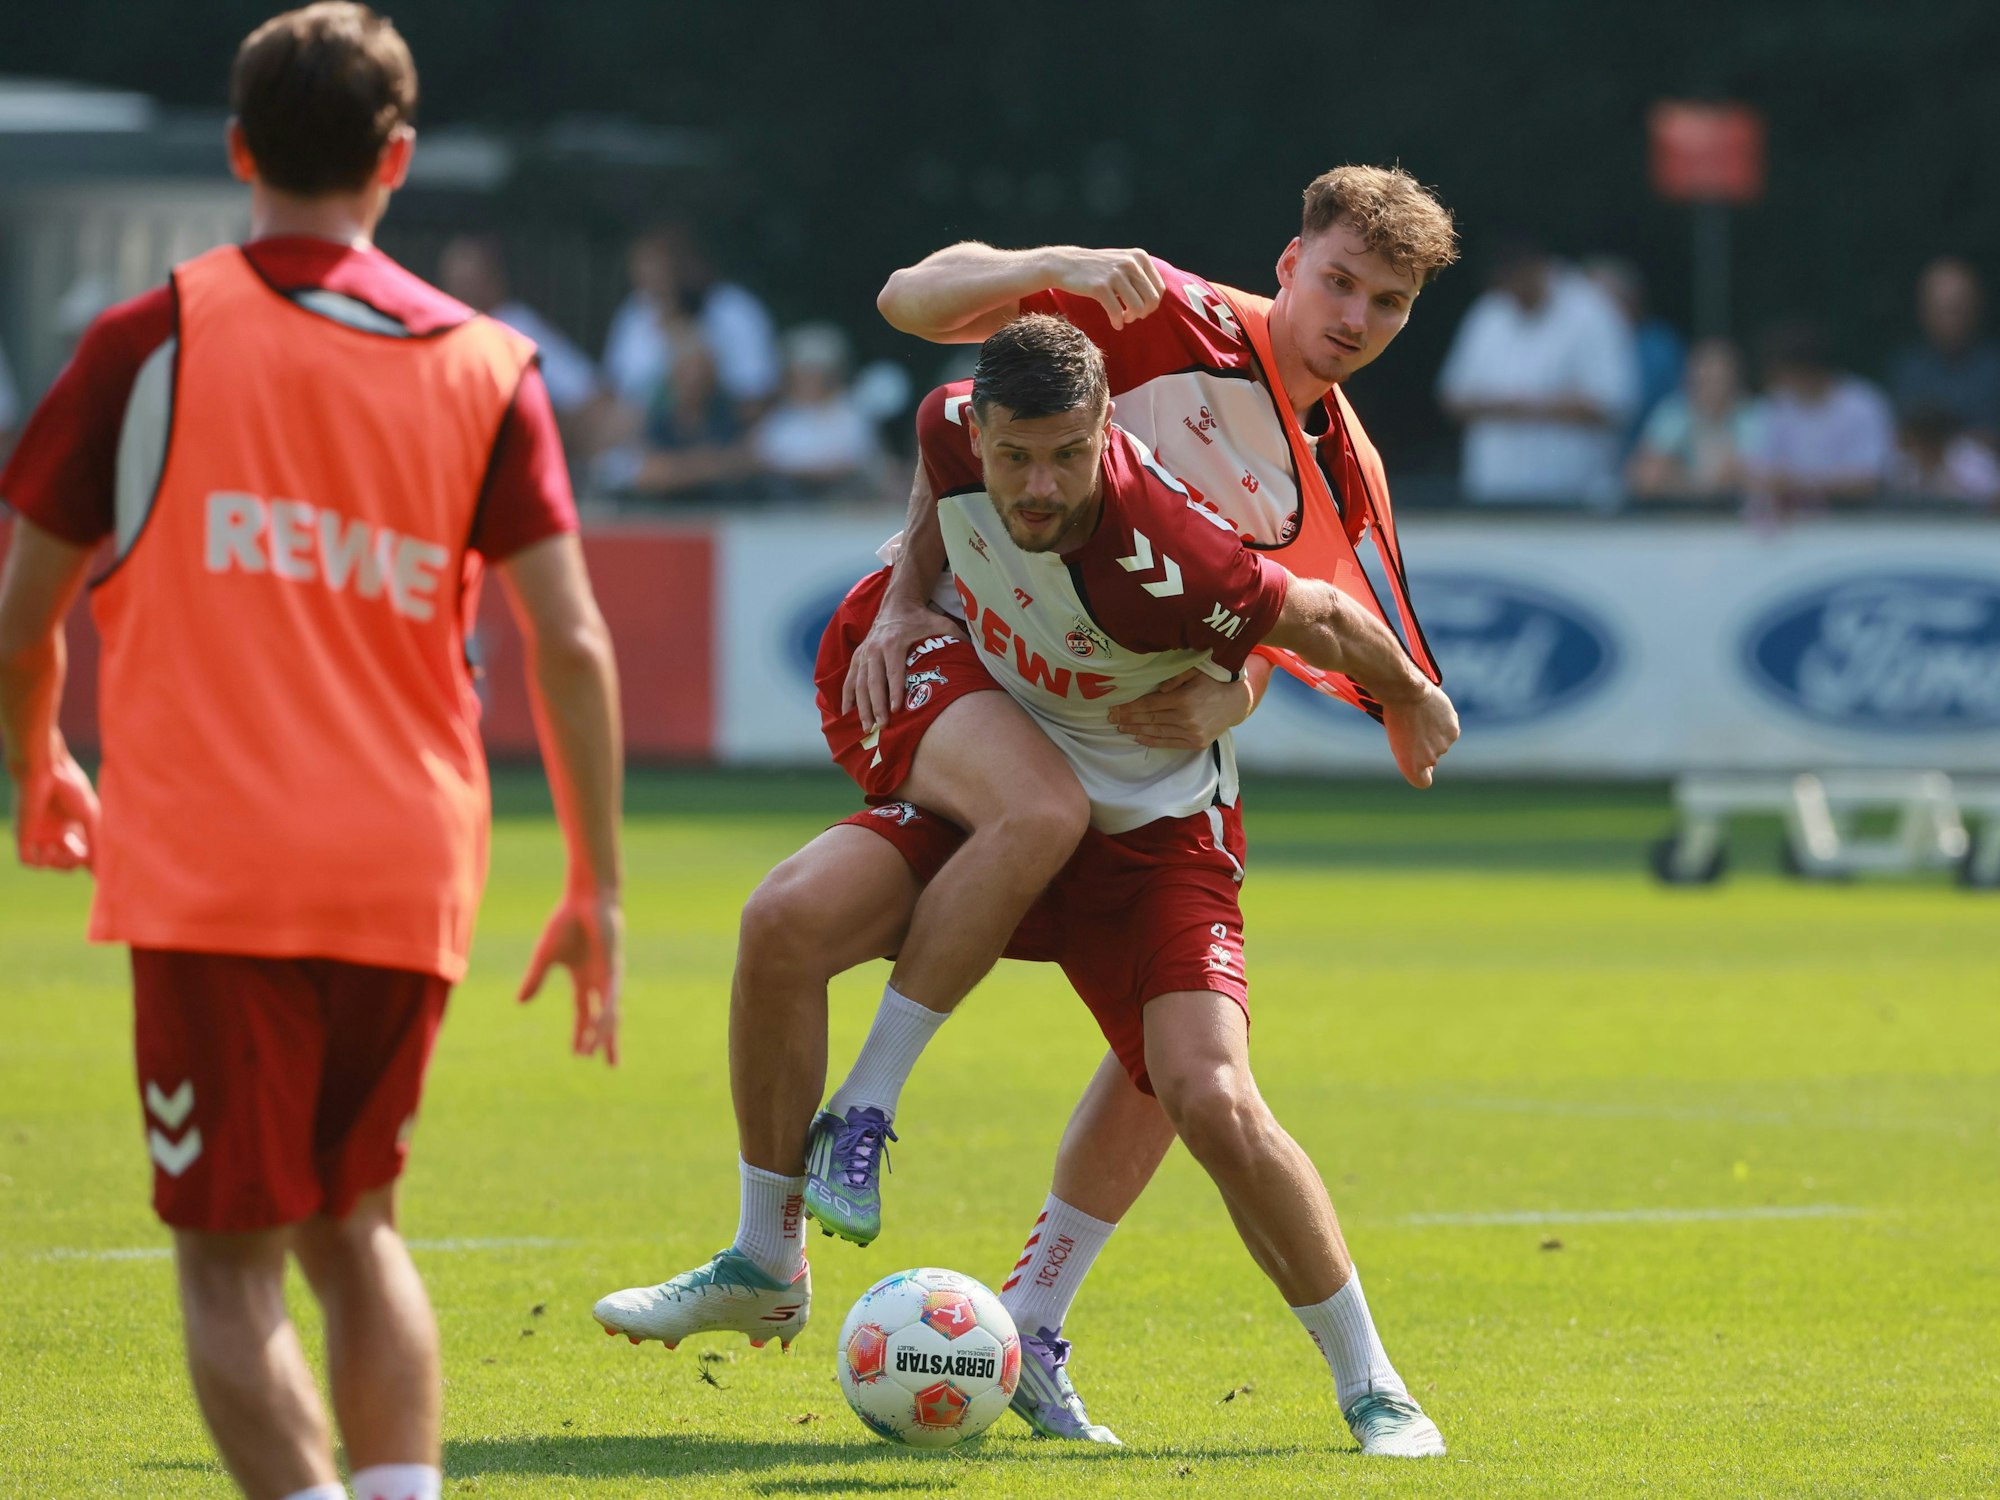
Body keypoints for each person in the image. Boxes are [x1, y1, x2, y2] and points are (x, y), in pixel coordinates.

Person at [599, 318, 1458, 1456]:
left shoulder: (1168, 557)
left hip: (1151, 834)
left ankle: (1371, 1386)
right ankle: (768, 1256)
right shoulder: (952, 426)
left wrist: (1407, 693)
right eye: (1015, 457)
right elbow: (934, 446)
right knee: (784, 919)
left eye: (1065, 454)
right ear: (983, 432)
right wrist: (908, 590)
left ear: (1105, 431)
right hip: (998, 775)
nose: (1037, 484)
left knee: (1205, 1093)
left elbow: (1323, 616)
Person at [0, 9, 625, 1500]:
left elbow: (22, 616)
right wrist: (596, 883)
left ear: (236, 151)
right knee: (360, 1228)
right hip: (407, 874)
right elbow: (575, 643)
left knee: (228, 1261)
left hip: (216, 878)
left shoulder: (146, 339)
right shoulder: (488, 364)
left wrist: (37, 761)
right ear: (397, 162)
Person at [1437, 239, 1638, 504]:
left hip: (1574, 498)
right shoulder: (1490, 311)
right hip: (1492, 493)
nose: (1512, 294)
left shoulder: (1592, 311)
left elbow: (1613, 402)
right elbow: (1451, 397)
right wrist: (1506, 406)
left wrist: (1526, 406)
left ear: (1536, 269)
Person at [436, 233, 603, 420]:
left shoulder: (515, 325)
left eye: (469, 283)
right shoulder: (449, 336)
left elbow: (589, 393)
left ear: (494, 280)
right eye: (456, 283)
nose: (462, 293)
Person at [1749, 320, 1896, 509]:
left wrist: (1798, 483)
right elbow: (1759, 474)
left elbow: (1869, 481)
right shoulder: (1775, 406)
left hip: (1856, 525)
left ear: (1805, 370)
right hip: (1791, 528)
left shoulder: (1863, 406)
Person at [751, 323, 887, 499]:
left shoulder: (852, 412)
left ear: (829, 376)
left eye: (808, 374)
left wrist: (785, 467)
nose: (800, 381)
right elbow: (756, 457)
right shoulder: (782, 417)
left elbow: (846, 464)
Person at [1626, 337, 1763, 499]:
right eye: (1706, 378)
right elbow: (1647, 475)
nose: (1712, 387)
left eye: (1720, 378)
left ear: (1735, 380)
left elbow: (1757, 477)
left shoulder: (1753, 415)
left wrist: (1681, 476)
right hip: (1677, 516)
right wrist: (1705, 484)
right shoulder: (1673, 412)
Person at [1887, 256, 2000, 440]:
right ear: (1922, 311)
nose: (1949, 319)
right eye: (1939, 308)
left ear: (1977, 306)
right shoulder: (1907, 369)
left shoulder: (1995, 367)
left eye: (1956, 308)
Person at [1585, 255, 1684, 454]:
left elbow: (1664, 417)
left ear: (1629, 302)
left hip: (1641, 464)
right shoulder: (1581, 347)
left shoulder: (1659, 348)